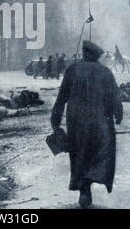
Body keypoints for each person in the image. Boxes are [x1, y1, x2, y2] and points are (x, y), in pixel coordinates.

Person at [50, 40, 123, 208]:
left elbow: (61, 97)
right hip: (100, 121)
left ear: (84, 53)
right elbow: (115, 97)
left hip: (76, 122)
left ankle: (84, 188)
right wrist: (118, 114)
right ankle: (91, 179)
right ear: (97, 56)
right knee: (99, 152)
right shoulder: (105, 72)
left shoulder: (72, 70)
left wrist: (55, 120)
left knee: (79, 154)